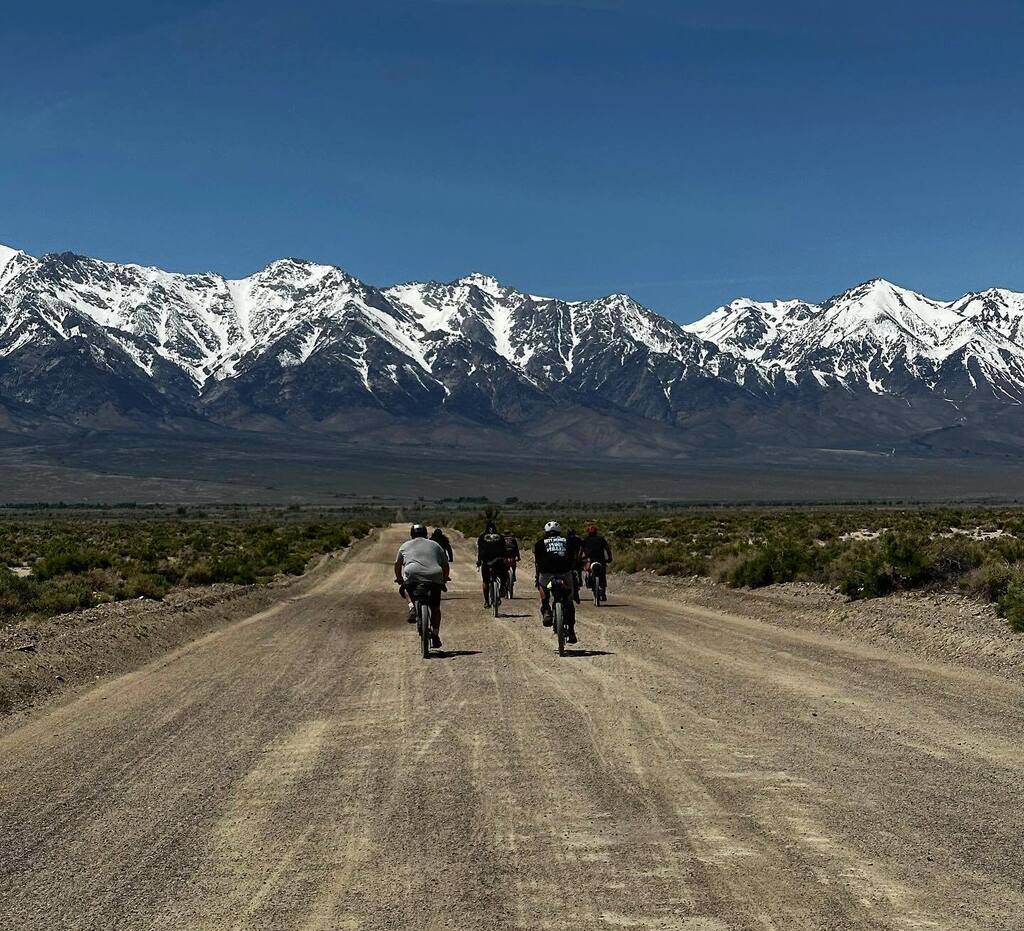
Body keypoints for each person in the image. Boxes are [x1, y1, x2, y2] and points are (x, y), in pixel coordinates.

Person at [395, 524, 450, 648]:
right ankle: (435, 635)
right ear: (425, 533)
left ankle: (412, 607)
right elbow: (445, 565)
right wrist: (444, 578)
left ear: (411, 534)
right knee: (435, 608)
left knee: (406, 587)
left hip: (412, 574)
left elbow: (397, 565)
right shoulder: (435, 545)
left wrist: (399, 578)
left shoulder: (405, 545)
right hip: (434, 575)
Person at [533, 520, 577, 643]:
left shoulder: (539, 543)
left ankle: (546, 608)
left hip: (547, 574)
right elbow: (572, 557)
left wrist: (538, 576)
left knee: (542, 586)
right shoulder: (567, 541)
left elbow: (537, 562)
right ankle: (572, 632)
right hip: (564, 573)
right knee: (569, 600)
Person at [477, 521, 510, 607]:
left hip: (486, 561)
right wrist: (505, 559)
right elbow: (504, 550)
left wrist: (479, 561)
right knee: (504, 575)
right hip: (498, 561)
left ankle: (486, 602)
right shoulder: (500, 536)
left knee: (485, 581)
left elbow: (480, 550)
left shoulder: (482, 537)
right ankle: (502, 589)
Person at [581, 524, 613, 597]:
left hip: (590, 560)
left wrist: (580, 558)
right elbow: (607, 549)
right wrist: (609, 558)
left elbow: (581, 550)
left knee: (588, 572)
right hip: (600, 560)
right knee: (602, 574)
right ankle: (603, 591)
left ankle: (590, 584)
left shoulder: (585, 539)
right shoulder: (601, 538)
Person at [566, 527, 584, 605]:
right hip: (576, 558)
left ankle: (574, 591)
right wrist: (579, 555)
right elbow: (581, 548)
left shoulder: (565, 540)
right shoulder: (578, 539)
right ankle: (578, 586)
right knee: (577, 572)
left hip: (568, 559)